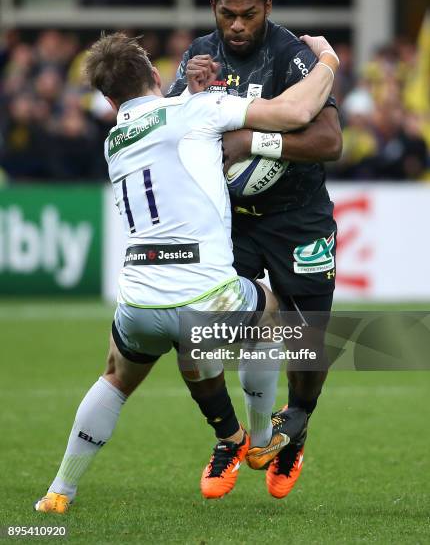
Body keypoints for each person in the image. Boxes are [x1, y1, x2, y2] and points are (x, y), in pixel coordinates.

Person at [34, 30, 338, 513]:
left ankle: (58, 492)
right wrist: (326, 59)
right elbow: (298, 112)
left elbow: (167, 131)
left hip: (138, 301)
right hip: (206, 297)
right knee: (277, 314)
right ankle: (259, 438)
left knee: (115, 377)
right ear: (156, 74)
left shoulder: (115, 140)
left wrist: (194, 91)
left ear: (109, 99)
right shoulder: (199, 110)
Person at [167, 0, 343, 499]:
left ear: (266, 7)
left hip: (299, 217)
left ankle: (297, 428)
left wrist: (250, 141)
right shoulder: (199, 56)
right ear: (214, 8)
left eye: (248, 13)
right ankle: (231, 437)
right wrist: (183, 96)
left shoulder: (292, 56)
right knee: (205, 328)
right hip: (230, 223)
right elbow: (167, 130)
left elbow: (329, 142)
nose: (237, 25)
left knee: (307, 340)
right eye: (227, 14)